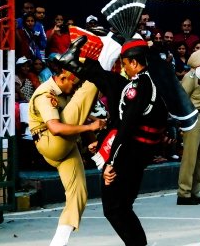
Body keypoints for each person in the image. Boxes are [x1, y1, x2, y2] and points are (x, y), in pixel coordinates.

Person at [56, 38, 169, 246]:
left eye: (125, 64)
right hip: (139, 152)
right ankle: (75, 62)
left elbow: (127, 128)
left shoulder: (139, 88)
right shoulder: (152, 81)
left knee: (115, 207)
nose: (124, 68)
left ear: (134, 63)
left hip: (130, 154)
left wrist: (111, 164)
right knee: (112, 82)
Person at [28, 37, 106, 246]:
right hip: (51, 142)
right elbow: (56, 127)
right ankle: (107, 56)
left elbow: (74, 114)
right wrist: (90, 128)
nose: (75, 86)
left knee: (78, 193)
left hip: (66, 147)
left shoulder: (64, 90)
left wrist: (91, 136)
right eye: (74, 82)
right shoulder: (46, 94)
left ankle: (59, 242)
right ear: (64, 77)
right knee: (90, 86)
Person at [176, 49, 200, 205]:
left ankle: (195, 192)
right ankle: (184, 193)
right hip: (194, 118)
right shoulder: (190, 77)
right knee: (190, 157)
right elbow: (181, 99)